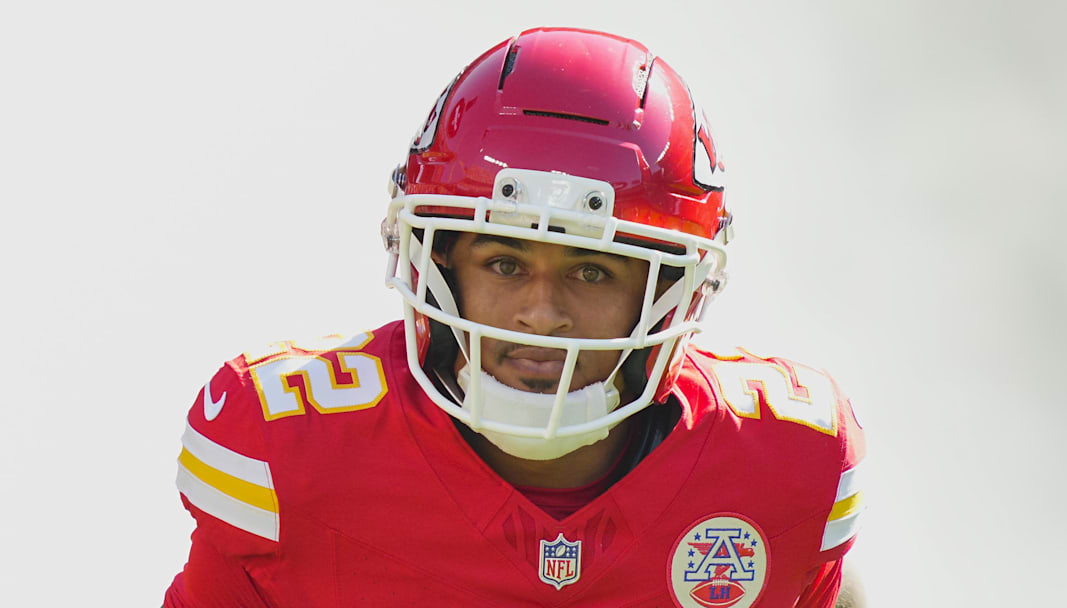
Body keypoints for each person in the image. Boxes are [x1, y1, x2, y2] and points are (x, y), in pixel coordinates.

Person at [164, 27, 866, 608]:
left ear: (673, 292)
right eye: (504, 262)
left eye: (592, 271)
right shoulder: (289, 453)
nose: (542, 313)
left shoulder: (783, 466)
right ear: (436, 265)